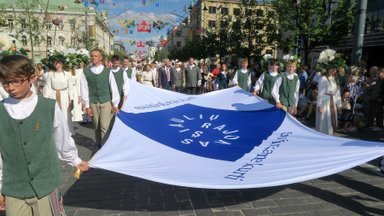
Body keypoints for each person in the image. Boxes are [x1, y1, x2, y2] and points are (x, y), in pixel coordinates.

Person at [0, 55, 89, 215]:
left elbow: (62, 139)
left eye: (16, 81)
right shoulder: (2, 110)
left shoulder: (48, 107)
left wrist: (75, 160)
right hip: (13, 186)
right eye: (5, 82)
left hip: (46, 183)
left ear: (32, 78)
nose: (10, 87)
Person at [80, 48, 120, 148]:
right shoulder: (86, 72)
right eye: (92, 56)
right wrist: (87, 105)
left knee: (104, 126)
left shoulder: (107, 71)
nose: (94, 58)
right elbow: (84, 89)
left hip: (106, 101)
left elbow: (113, 87)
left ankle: (105, 147)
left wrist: (115, 103)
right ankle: (98, 143)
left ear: (101, 57)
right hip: (93, 102)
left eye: (96, 56)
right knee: (96, 125)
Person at [43, 58, 75, 134]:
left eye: (57, 63)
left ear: (61, 64)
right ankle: (56, 131)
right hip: (54, 95)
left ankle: (66, 131)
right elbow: (48, 87)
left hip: (64, 96)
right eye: (54, 63)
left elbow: (70, 88)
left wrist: (72, 100)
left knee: (65, 113)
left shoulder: (67, 74)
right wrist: (45, 99)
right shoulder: (51, 74)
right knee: (55, 113)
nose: (56, 65)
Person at [316, 65, 342, 135]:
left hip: (332, 100)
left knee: (331, 120)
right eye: (332, 68)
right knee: (324, 120)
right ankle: (322, 135)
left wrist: (339, 105)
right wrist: (320, 105)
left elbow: (337, 93)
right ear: (328, 69)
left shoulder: (334, 79)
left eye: (335, 69)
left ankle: (330, 135)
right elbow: (320, 92)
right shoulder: (323, 78)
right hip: (325, 101)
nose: (333, 70)